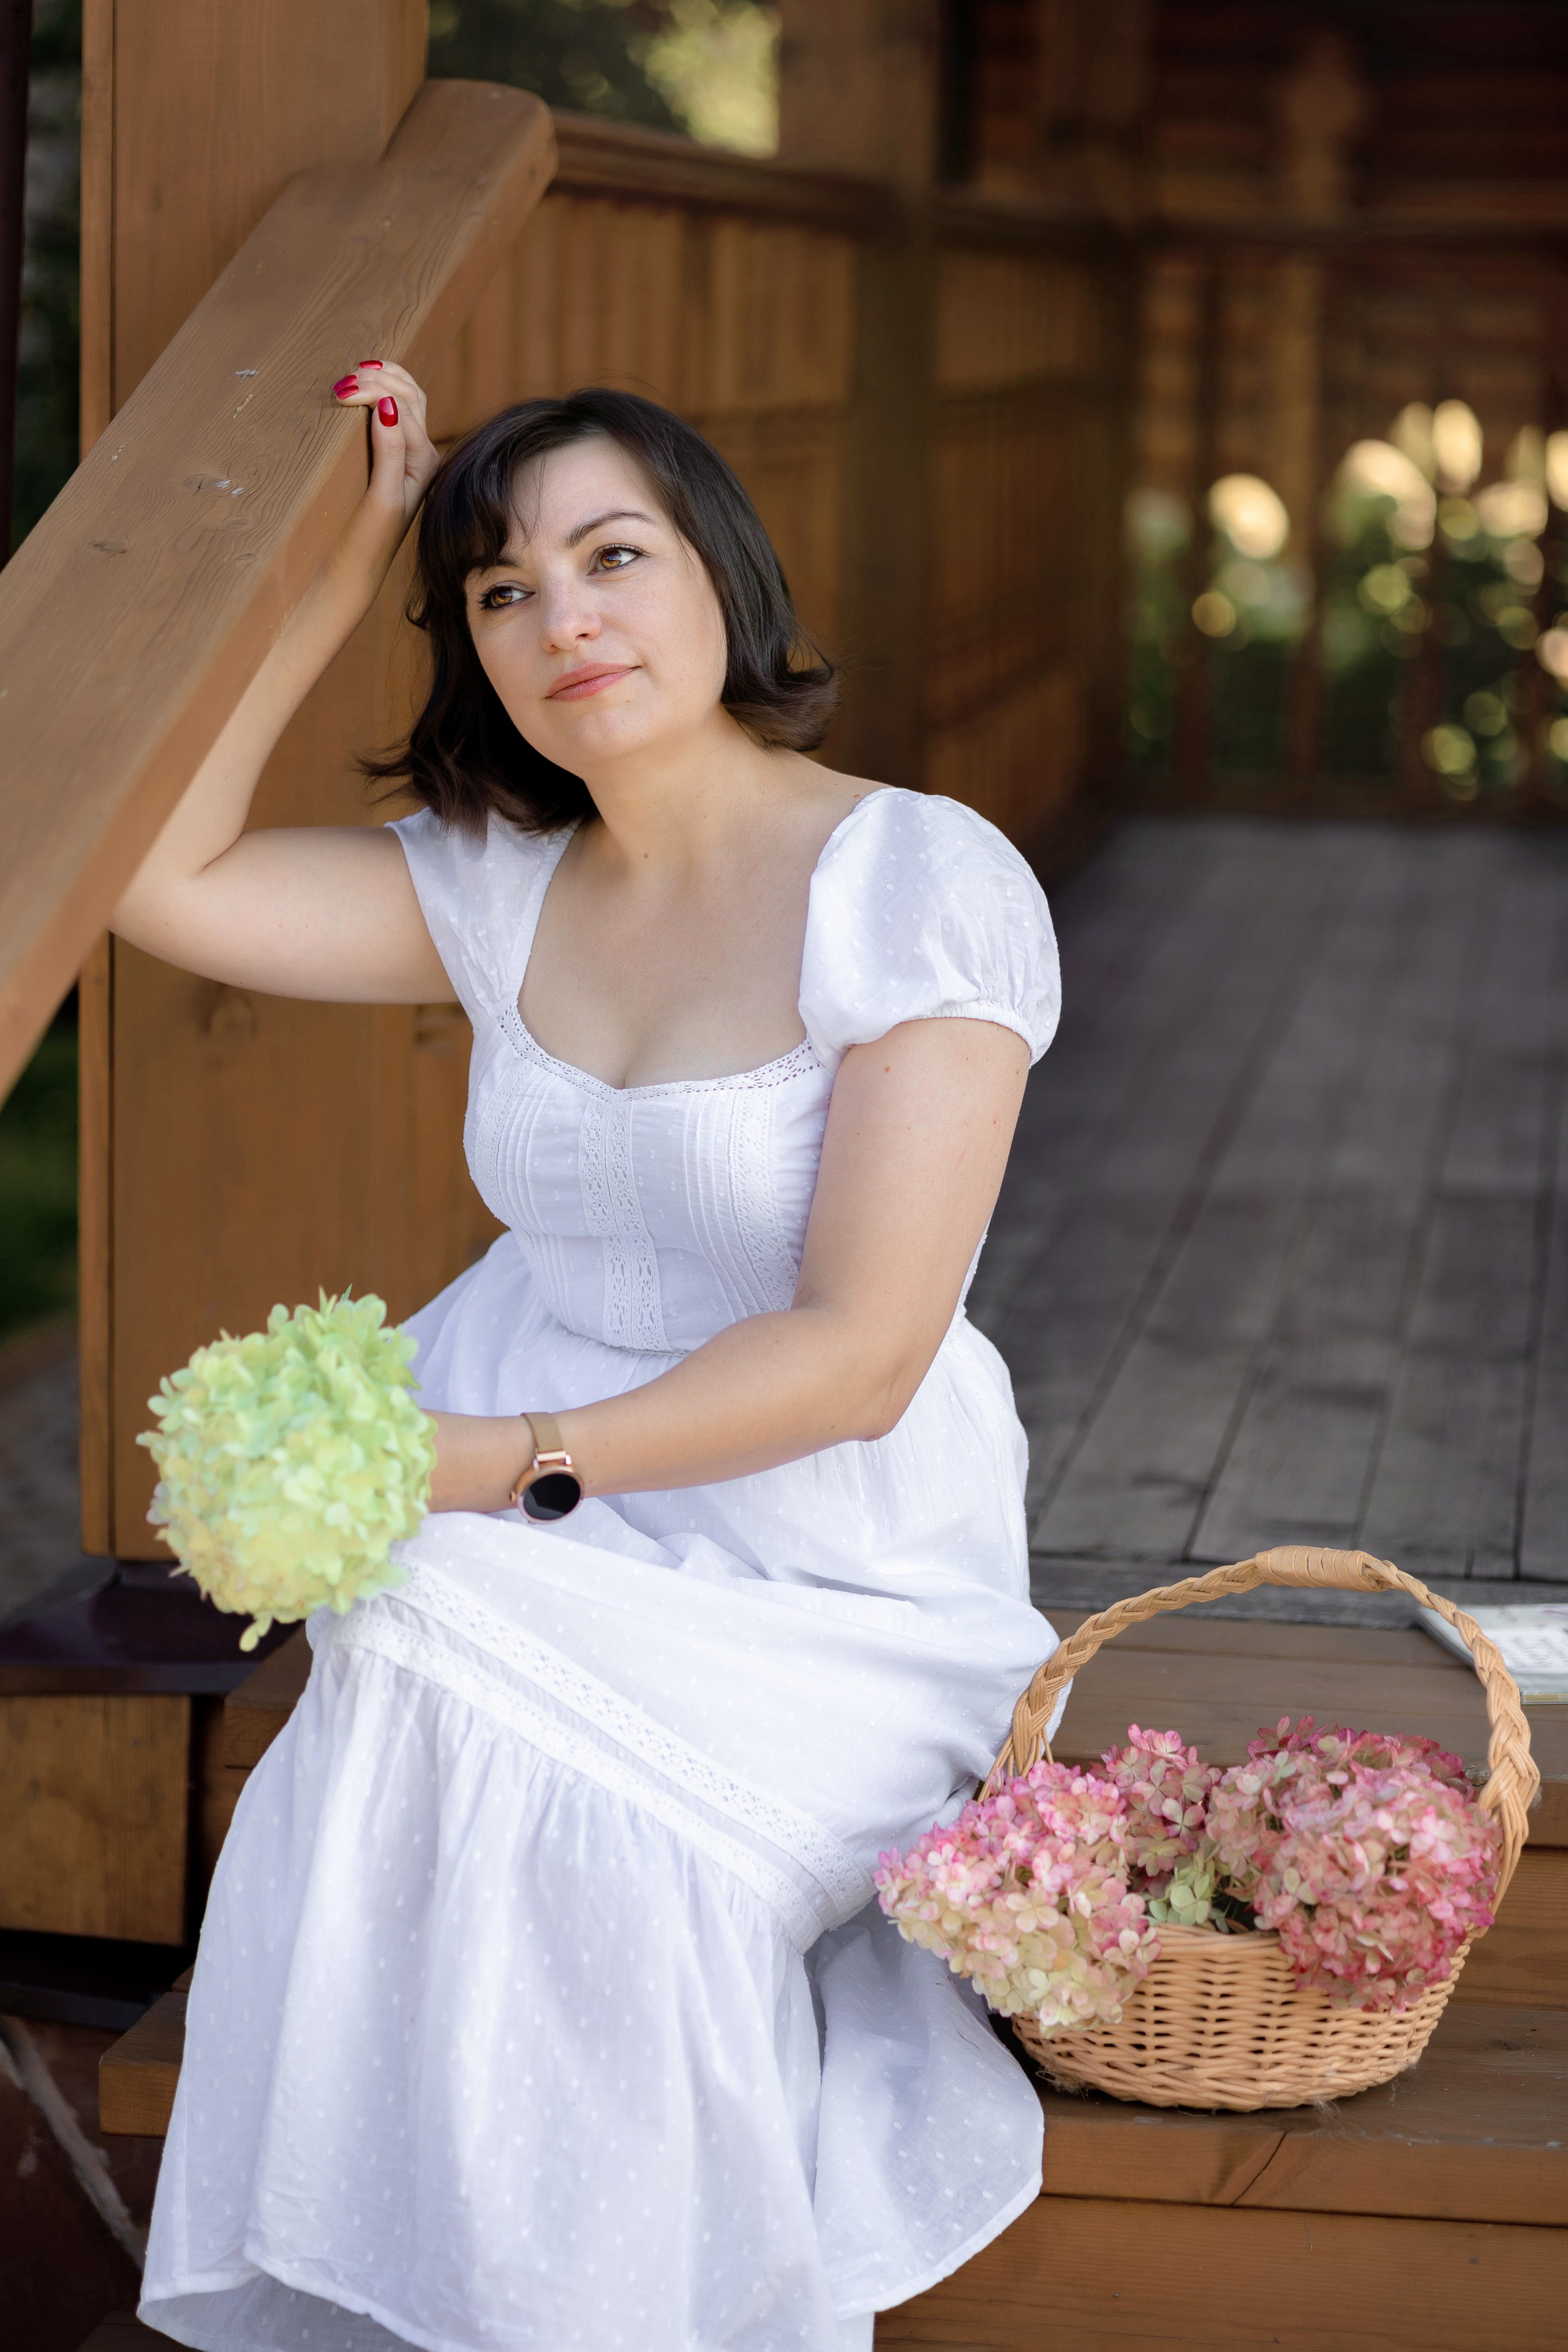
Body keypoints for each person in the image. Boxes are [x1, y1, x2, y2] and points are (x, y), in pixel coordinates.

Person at [129, 362, 1065, 2352]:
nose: (563, 618)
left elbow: (862, 1353)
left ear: (720, 571)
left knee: (512, 1725)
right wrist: (329, 583)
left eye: (612, 556)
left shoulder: (916, 880)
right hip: (533, 1506)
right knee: (405, 1677)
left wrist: (482, 1462)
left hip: (824, 1557)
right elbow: (162, 876)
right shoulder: (500, 882)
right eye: (498, 591)